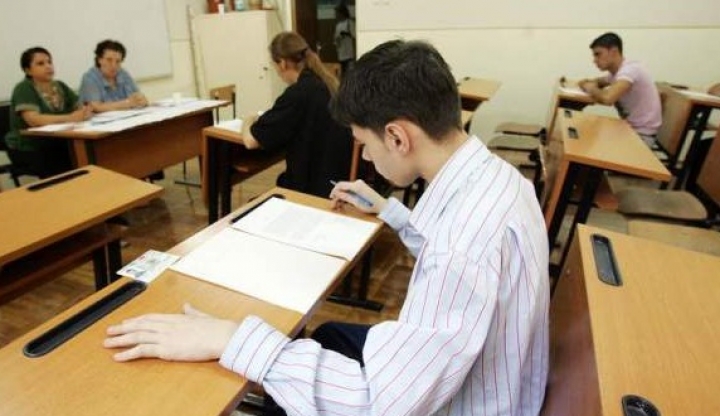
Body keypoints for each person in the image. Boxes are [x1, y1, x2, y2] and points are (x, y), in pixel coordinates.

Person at [104, 40, 550, 416]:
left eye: (365, 144)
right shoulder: (496, 177)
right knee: (329, 337)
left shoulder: (462, 245)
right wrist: (390, 212)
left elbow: (377, 402)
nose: (367, 157)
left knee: (272, 358)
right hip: (487, 378)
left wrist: (231, 338)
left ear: (397, 137)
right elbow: (453, 253)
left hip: (464, 402)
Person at [239, 31, 353, 198]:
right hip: (338, 180)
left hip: (312, 188)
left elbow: (251, 141)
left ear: (282, 63)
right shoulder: (328, 84)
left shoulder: (297, 94)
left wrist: (248, 120)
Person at [4, 47, 92, 178]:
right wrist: (69, 118)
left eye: (49, 62)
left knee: (87, 150)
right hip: (29, 146)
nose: (48, 66)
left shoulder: (60, 85)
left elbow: (80, 106)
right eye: (40, 63)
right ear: (28, 70)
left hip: (58, 142)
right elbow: (33, 120)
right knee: (71, 157)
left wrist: (85, 111)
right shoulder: (24, 88)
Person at [578, 32, 662, 147]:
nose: (594, 60)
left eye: (598, 54)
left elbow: (607, 98)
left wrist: (590, 88)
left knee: (587, 138)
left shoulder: (630, 71)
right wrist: (587, 83)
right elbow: (598, 82)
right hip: (630, 129)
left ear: (614, 51)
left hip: (641, 136)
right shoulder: (617, 73)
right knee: (587, 132)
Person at [79, 39, 148, 112]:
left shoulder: (123, 74)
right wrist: (127, 103)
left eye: (118, 61)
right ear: (99, 60)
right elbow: (96, 107)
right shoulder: (89, 78)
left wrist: (141, 100)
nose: (114, 65)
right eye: (109, 60)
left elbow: (137, 97)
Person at [334, 4, 355, 75]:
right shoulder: (338, 25)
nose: (336, 15)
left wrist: (346, 34)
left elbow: (354, 35)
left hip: (349, 54)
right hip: (341, 55)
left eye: (337, 13)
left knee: (349, 74)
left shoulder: (350, 23)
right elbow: (336, 39)